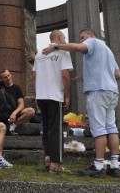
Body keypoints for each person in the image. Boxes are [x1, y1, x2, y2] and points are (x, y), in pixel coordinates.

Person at [42, 28, 120, 178]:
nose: (81, 40)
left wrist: (56, 46)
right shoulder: (108, 51)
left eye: (82, 37)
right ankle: (115, 166)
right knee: (111, 127)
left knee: (98, 128)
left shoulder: (92, 42)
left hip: (98, 91)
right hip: (112, 91)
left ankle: (98, 166)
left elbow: (79, 48)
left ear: (91, 35)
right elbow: (117, 74)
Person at [33, 30, 73, 174]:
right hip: (55, 95)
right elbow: (65, 75)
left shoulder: (39, 54)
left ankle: (48, 158)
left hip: (42, 96)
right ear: (59, 38)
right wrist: (68, 95)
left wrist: (36, 96)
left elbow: (34, 76)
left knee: (46, 127)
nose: (65, 40)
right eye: (64, 37)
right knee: (56, 129)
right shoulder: (63, 52)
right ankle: (56, 164)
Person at [0, 69, 35, 135]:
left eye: (9, 75)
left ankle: (12, 127)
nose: (8, 78)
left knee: (31, 111)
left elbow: (21, 105)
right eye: (5, 77)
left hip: (12, 115)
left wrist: (14, 113)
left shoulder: (17, 88)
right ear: (1, 79)